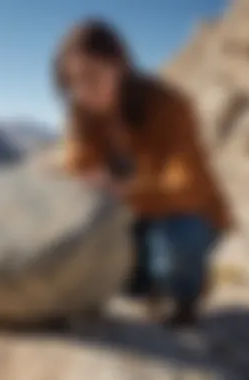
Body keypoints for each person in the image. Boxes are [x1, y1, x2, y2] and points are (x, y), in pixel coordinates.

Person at [53, 19, 234, 327]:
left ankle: (184, 296)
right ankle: (147, 284)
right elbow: (78, 170)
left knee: (173, 252)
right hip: (134, 215)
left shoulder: (169, 105)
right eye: (74, 82)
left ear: (120, 66)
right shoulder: (83, 113)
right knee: (125, 283)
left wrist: (124, 190)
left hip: (188, 213)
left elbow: (188, 185)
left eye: (93, 76)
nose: (84, 91)